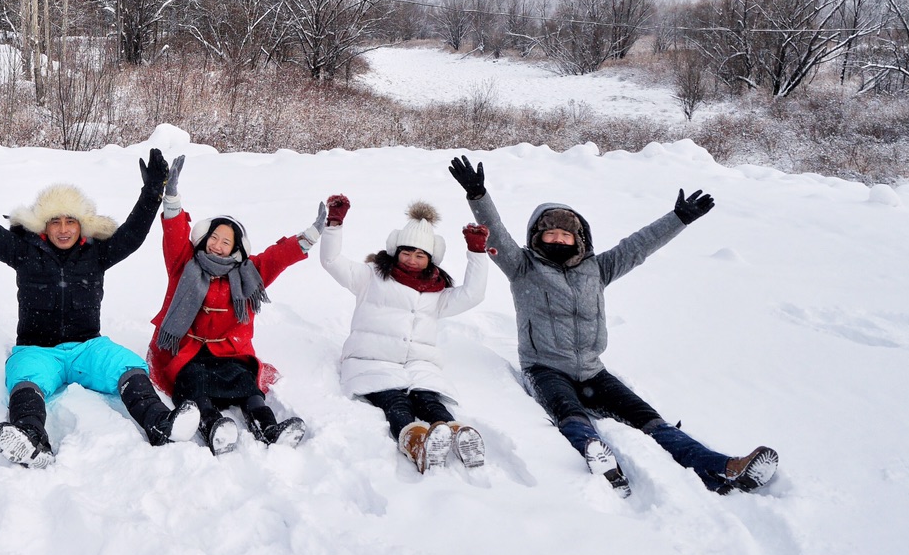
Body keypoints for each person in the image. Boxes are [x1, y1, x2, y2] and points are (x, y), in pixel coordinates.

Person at [447, 153, 779, 497]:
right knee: (570, 414)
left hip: (593, 372)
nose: (559, 239)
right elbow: (496, 237)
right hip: (545, 369)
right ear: (537, 237)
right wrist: (478, 196)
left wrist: (678, 218)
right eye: (551, 233)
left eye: (566, 234)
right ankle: (601, 461)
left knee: (649, 419)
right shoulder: (523, 268)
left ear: (579, 239)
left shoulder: (596, 269)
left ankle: (723, 468)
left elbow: (638, 246)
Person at [0, 141, 197, 467]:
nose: (62, 229)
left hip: (88, 347)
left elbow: (131, 235)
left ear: (81, 224)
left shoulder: (96, 253)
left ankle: (160, 423)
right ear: (43, 226)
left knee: (128, 365)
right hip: (38, 350)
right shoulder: (23, 251)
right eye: (54, 222)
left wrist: (152, 191)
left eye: (69, 221)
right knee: (23, 377)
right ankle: (30, 439)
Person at [148, 156, 317, 454]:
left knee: (246, 385)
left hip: (228, 350)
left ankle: (268, 428)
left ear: (236, 249)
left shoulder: (248, 273)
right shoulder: (185, 264)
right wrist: (171, 196)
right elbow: (173, 234)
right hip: (186, 349)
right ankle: (213, 426)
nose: (217, 245)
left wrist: (310, 236)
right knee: (193, 383)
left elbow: (277, 258)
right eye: (214, 237)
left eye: (226, 242)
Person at [316, 196, 491, 473]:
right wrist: (334, 224)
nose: (411, 259)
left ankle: (457, 434)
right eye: (406, 252)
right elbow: (331, 260)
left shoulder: (437, 293)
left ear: (430, 259)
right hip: (372, 361)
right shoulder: (370, 277)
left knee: (429, 401)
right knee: (395, 402)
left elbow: (473, 294)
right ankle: (416, 443)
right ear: (395, 251)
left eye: (420, 255)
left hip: (419, 365)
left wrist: (477, 253)